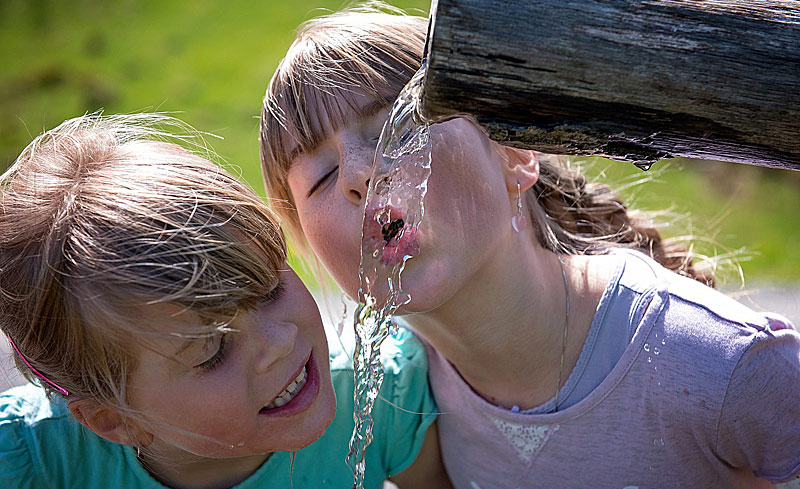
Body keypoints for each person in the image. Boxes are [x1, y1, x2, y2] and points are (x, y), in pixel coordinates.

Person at [258, 4, 800, 488]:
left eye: (397, 130)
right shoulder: (399, 399)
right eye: (321, 177)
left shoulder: (718, 361)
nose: (359, 174)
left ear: (515, 155)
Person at [0, 113, 452, 488]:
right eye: (213, 351)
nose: (279, 341)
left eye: (270, 289)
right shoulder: (35, 464)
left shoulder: (379, 399)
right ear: (114, 419)